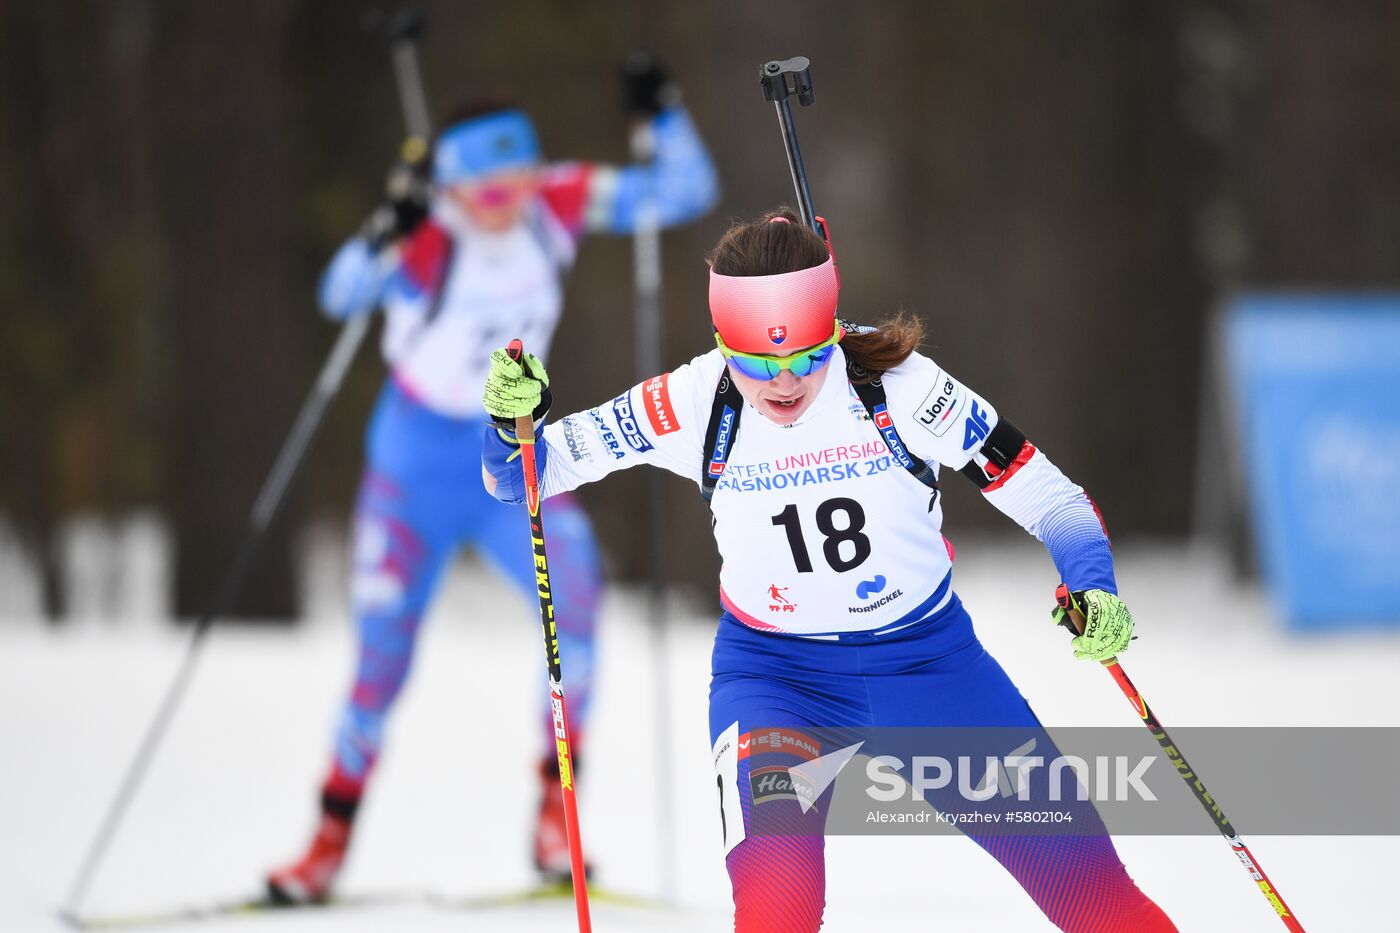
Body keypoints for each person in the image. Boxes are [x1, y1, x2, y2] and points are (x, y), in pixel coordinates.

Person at [478, 209, 1178, 931]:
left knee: (1099, 903)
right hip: (778, 683)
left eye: (806, 357)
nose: (783, 384)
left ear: (833, 330)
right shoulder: (693, 400)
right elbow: (521, 475)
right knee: (776, 912)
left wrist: (1091, 579)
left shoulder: (903, 389)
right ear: (723, 345)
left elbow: (1049, 496)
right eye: (756, 363)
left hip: (930, 668)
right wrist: (510, 424)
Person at [266, 59, 718, 903]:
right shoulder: (427, 230)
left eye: (516, 173)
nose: (504, 196)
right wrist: (384, 234)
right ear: (452, 184)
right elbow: (340, 293)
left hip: (513, 457)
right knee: (381, 662)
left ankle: (557, 812)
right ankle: (326, 839)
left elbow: (685, 190)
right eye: (483, 182)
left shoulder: (558, 199)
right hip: (413, 469)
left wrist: (663, 116)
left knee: (576, 610)